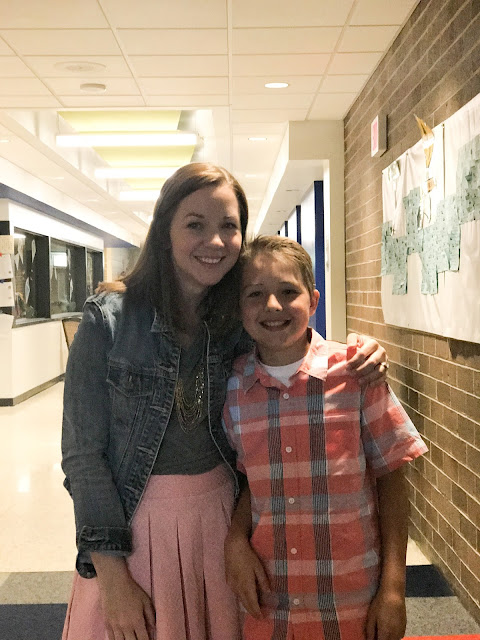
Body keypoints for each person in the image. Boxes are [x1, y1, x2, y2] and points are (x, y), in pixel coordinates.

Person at [61, 163, 390, 640]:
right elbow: (82, 458)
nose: (214, 241)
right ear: (165, 230)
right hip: (134, 528)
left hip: (223, 522)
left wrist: (361, 350)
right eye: (195, 224)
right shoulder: (110, 320)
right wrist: (112, 579)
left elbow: (291, 350)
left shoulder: (235, 321)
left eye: (228, 226)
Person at [222, 235, 428, 640]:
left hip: (350, 600)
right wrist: (235, 539)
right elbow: (250, 482)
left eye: (288, 292)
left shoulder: (355, 374)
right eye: (255, 294)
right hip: (270, 600)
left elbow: (392, 479)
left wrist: (393, 589)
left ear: (313, 301)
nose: (273, 305)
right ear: (239, 307)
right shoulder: (233, 388)